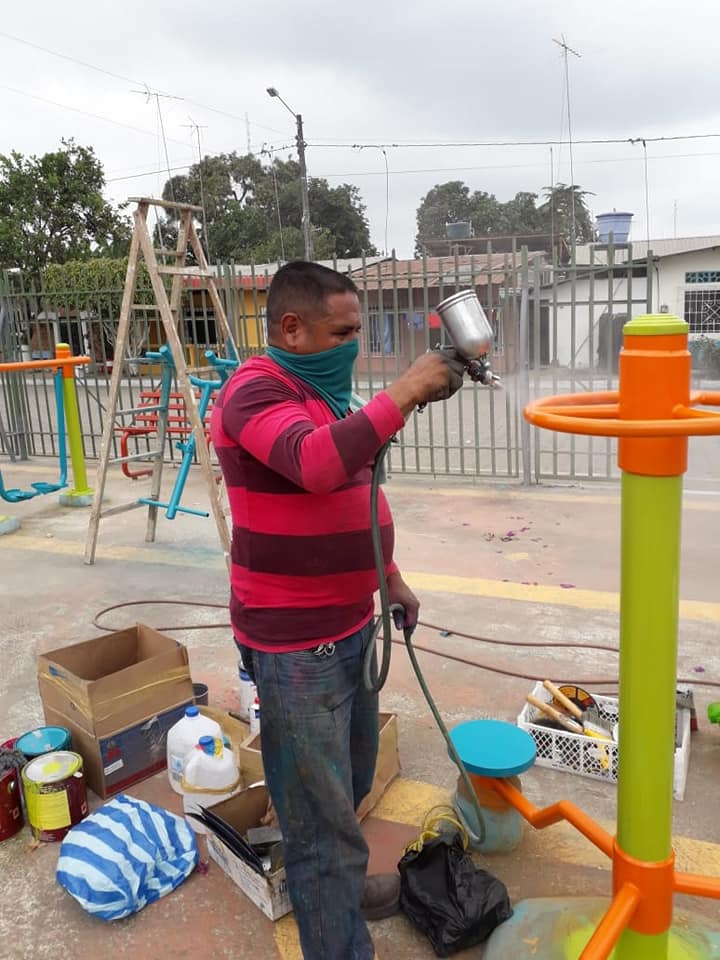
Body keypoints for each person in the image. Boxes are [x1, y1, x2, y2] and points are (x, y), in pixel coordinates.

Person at [210, 261, 465, 960]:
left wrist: (391, 577)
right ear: (292, 328)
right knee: (319, 826)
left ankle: (340, 893)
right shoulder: (255, 390)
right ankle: (336, 930)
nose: (355, 344)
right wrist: (405, 389)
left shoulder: (325, 395)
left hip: (351, 623)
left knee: (346, 787)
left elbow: (356, 491)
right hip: (296, 646)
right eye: (344, 332)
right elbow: (316, 464)